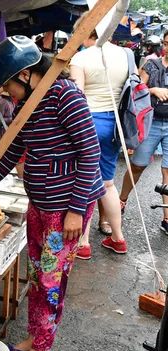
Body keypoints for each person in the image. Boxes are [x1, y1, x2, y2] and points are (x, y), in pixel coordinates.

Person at [0, 36, 105, 351]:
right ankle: (36, 336)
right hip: (40, 203)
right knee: (38, 277)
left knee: (51, 281)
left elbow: (89, 153)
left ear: (25, 75)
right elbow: (10, 151)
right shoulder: (30, 103)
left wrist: (75, 211)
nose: (6, 91)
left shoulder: (65, 96)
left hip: (64, 209)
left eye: (8, 84)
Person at [69, 12, 130, 259]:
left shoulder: (80, 57)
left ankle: (83, 242)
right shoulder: (126, 55)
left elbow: (76, 97)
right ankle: (118, 238)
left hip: (88, 122)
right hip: (115, 125)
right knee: (107, 183)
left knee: (83, 181)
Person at [119, 31, 168, 234]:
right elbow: (135, 87)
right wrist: (153, 90)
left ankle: (167, 217)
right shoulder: (151, 65)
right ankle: (121, 200)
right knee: (137, 166)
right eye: (166, 43)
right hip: (152, 122)